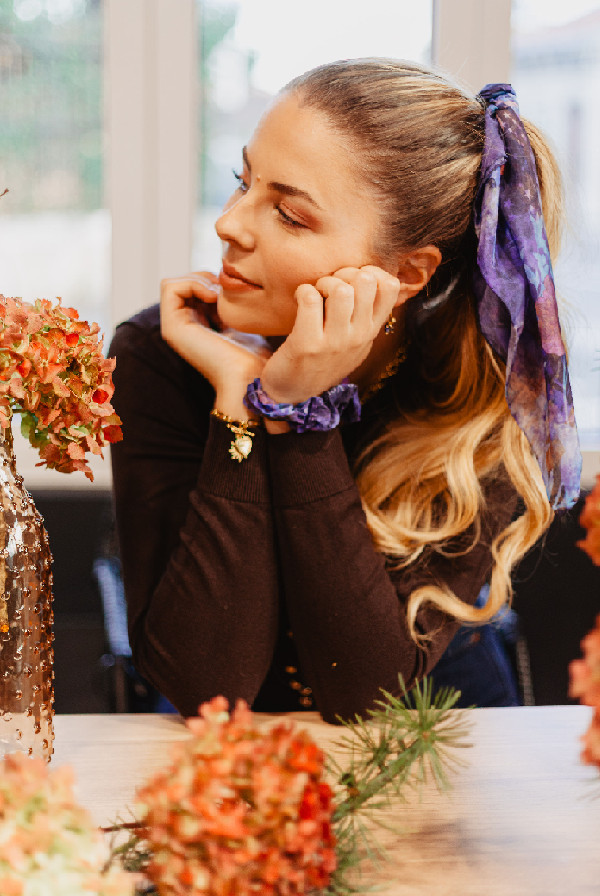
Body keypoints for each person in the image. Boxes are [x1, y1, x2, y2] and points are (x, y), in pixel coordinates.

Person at [109, 59, 581, 723]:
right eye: (243, 182)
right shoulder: (162, 354)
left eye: (290, 215)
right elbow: (206, 684)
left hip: (436, 727)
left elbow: (367, 694)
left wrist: (300, 414)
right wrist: (242, 401)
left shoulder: (478, 401)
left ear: (406, 273)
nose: (230, 224)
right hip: (227, 751)